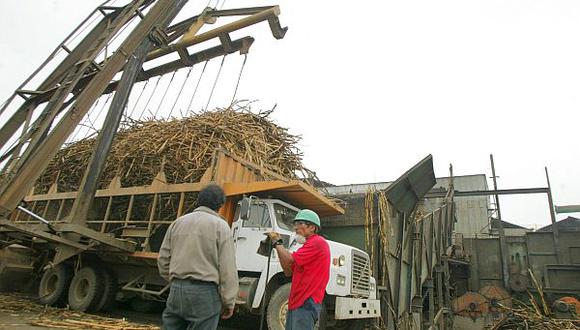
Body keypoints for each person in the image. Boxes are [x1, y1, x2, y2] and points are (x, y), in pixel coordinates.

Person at [157, 184, 238, 330]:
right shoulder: (221, 226)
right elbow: (227, 269)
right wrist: (229, 301)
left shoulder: (178, 222)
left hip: (176, 289)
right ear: (220, 205)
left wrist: (175, 281)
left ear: (198, 201)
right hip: (204, 293)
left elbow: (163, 260)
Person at [268, 209, 330, 330]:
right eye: (295, 224)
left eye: (300, 223)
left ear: (312, 227)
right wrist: (278, 248)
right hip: (297, 301)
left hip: (306, 301)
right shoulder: (306, 246)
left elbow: (290, 259)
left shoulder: (317, 242)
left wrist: (278, 243)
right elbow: (288, 271)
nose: (296, 228)